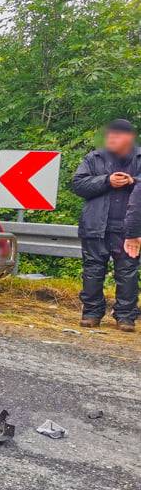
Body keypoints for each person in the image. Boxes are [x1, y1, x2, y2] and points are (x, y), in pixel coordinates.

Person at [71, 119, 141, 331]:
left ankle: (126, 318)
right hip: (95, 225)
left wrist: (133, 181)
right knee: (92, 270)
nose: (112, 139)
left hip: (129, 229)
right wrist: (106, 181)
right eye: (110, 135)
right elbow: (78, 184)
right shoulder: (94, 158)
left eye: (117, 135)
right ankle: (91, 314)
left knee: (128, 272)